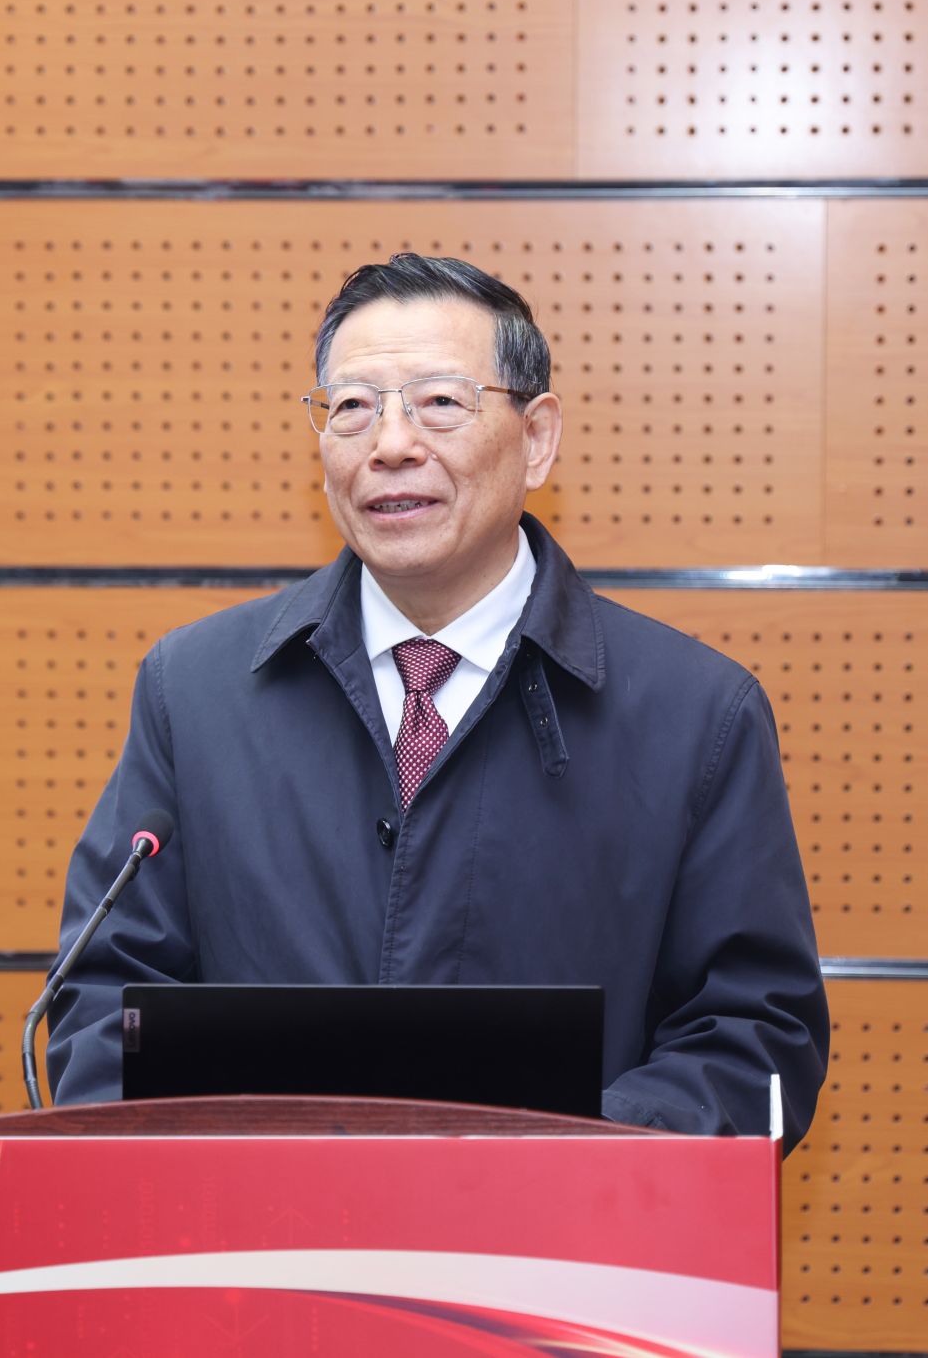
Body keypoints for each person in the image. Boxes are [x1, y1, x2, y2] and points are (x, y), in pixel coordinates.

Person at [45, 254, 829, 1140]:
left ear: (537, 438)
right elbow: (103, 1001)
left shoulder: (696, 716)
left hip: (563, 1226)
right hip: (260, 1225)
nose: (390, 444)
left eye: (439, 403)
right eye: (353, 406)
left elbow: (753, 1040)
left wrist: (552, 1159)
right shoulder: (195, 690)